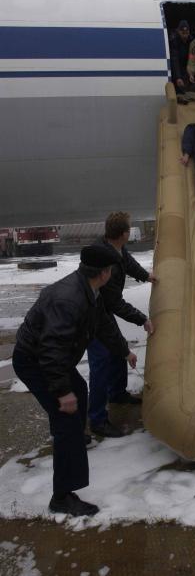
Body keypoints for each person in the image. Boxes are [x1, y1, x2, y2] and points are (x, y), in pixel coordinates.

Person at [12, 245, 137, 517]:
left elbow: (103, 325)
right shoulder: (69, 299)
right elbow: (51, 350)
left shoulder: (89, 291)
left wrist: (124, 351)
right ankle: (62, 497)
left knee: (79, 390)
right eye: (112, 270)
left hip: (53, 358)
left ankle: (75, 439)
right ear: (103, 273)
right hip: (35, 360)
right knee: (66, 415)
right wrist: (62, 392)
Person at [87, 212, 156, 438]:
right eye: (129, 228)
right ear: (124, 234)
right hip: (91, 315)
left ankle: (117, 393)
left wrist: (146, 276)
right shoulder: (108, 263)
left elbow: (128, 262)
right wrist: (143, 319)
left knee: (118, 349)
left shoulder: (115, 247)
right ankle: (97, 420)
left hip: (103, 310)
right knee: (101, 363)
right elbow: (114, 302)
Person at [169, 19, 193, 96]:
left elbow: (192, 59)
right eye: (183, 33)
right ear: (178, 31)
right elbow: (174, 59)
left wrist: (191, 73)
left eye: (187, 33)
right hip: (176, 68)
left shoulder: (191, 41)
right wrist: (178, 77)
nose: (185, 35)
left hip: (186, 67)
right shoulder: (174, 41)